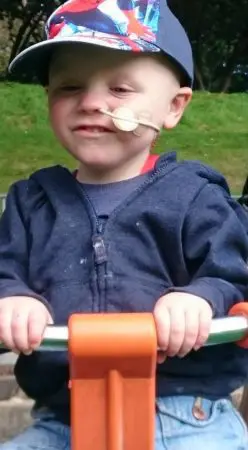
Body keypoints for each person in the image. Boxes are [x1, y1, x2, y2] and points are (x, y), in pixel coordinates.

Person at [1, 0, 248, 448]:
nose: (92, 102)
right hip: (65, 418)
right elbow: (5, 271)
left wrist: (202, 297)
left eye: (119, 89)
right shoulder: (31, 203)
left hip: (184, 414)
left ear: (173, 107)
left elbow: (235, 275)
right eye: (70, 86)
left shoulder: (196, 197)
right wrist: (12, 298)